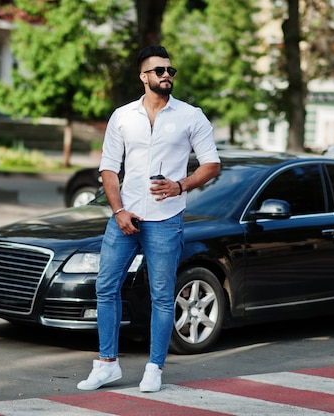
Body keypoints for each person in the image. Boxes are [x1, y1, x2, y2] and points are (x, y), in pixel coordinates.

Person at [77, 46, 221, 393]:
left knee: (161, 294)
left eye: (170, 70)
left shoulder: (190, 116)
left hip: (166, 219)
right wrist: (118, 211)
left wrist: (181, 185)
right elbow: (109, 167)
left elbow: (212, 164)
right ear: (144, 77)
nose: (167, 75)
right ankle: (107, 364)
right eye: (159, 70)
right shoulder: (123, 116)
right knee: (106, 287)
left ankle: (155, 367)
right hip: (125, 216)